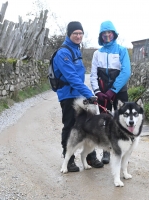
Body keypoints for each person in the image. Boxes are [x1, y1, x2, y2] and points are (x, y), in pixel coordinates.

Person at [53, 21, 104, 172]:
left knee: (89, 124)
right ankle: (68, 159)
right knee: (70, 126)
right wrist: (90, 94)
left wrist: (86, 94)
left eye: (80, 33)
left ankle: (90, 156)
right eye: (75, 33)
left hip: (79, 94)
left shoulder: (76, 49)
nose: (78, 36)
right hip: (68, 95)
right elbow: (72, 78)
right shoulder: (63, 53)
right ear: (69, 34)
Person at [90, 21, 131, 164]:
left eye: (109, 32)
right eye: (104, 33)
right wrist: (97, 91)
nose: (107, 35)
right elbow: (93, 74)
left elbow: (126, 72)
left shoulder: (122, 50)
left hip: (119, 92)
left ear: (114, 34)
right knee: (105, 122)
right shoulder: (97, 54)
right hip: (103, 93)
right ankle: (106, 151)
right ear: (101, 36)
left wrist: (113, 90)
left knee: (123, 120)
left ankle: (123, 150)